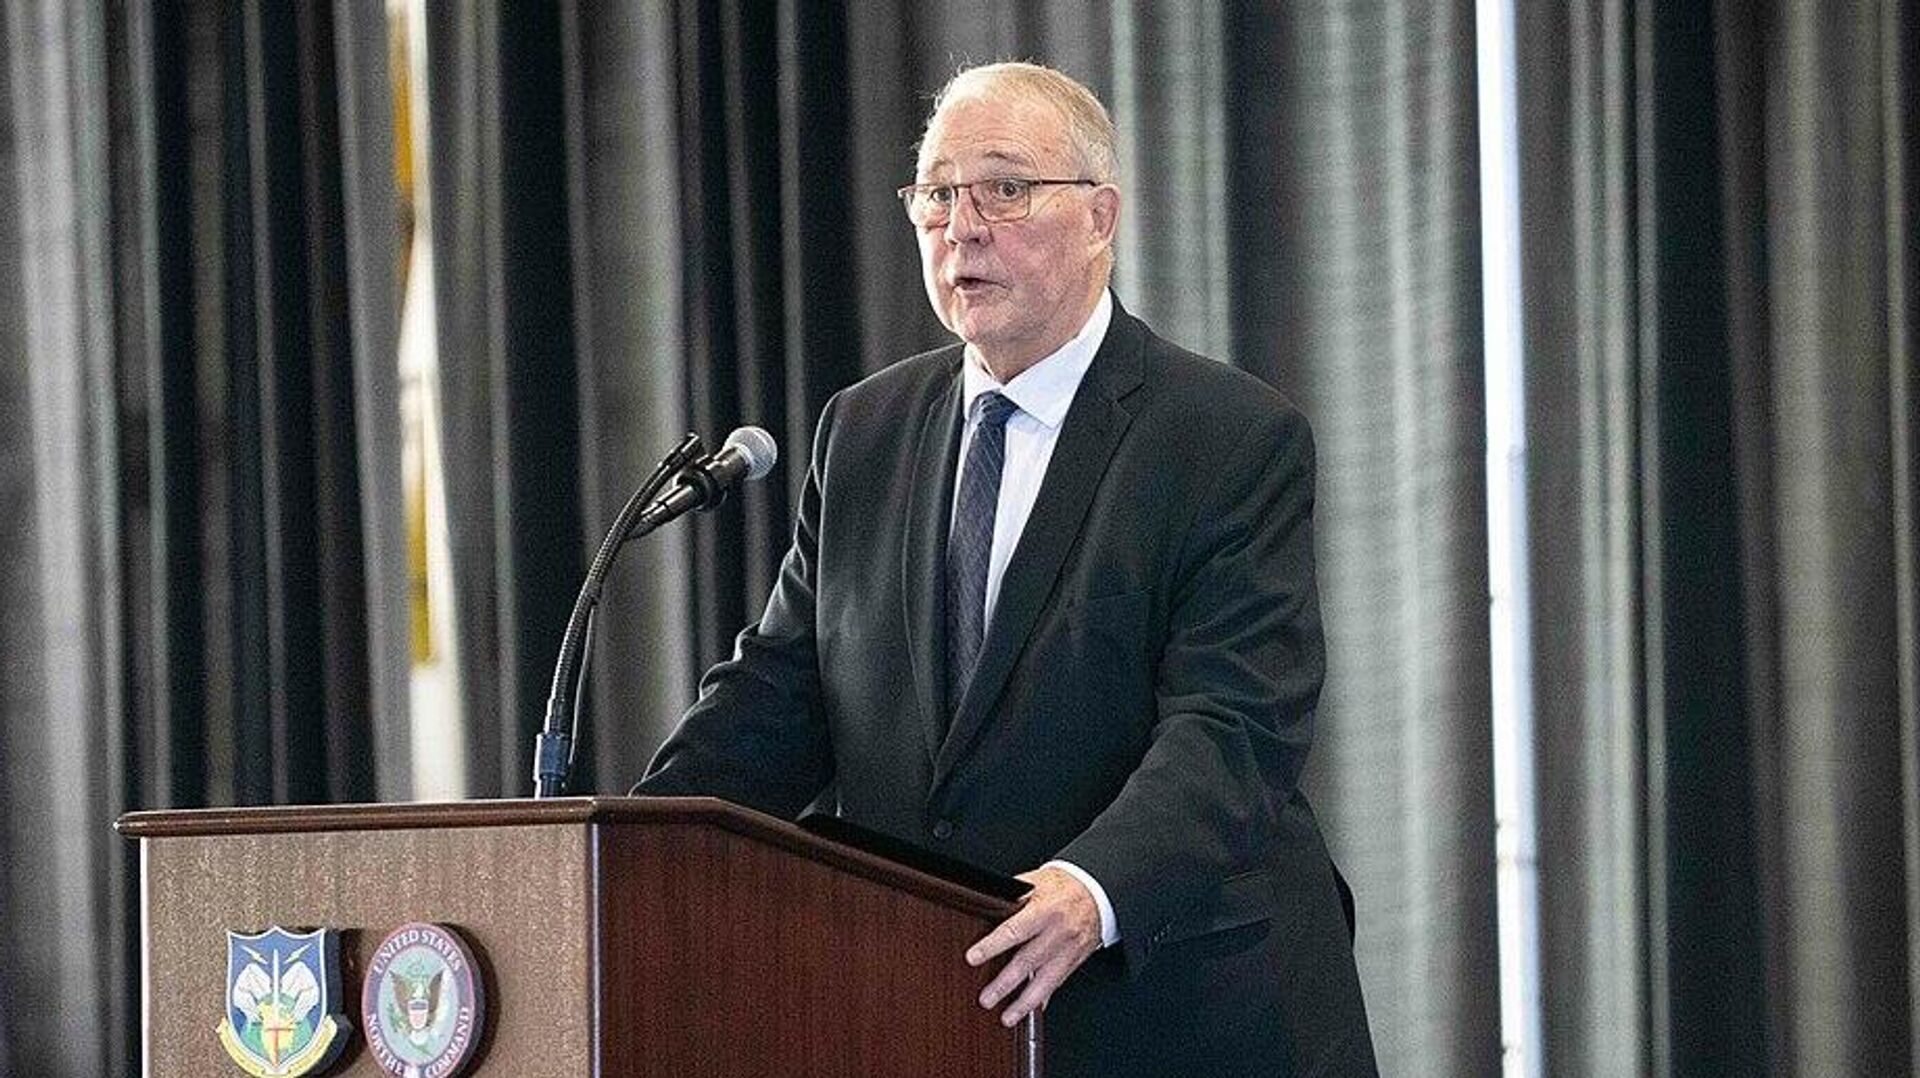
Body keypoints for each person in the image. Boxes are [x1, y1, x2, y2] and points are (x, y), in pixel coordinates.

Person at [635, 61, 1377, 1077]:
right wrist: (629, 853)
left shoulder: (1227, 437)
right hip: (941, 1006)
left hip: (1184, 1009)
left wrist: (1093, 887)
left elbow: (1234, 724)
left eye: (1006, 188)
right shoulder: (865, 430)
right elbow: (778, 697)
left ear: (1101, 217)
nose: (964, 227)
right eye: (938, 194)